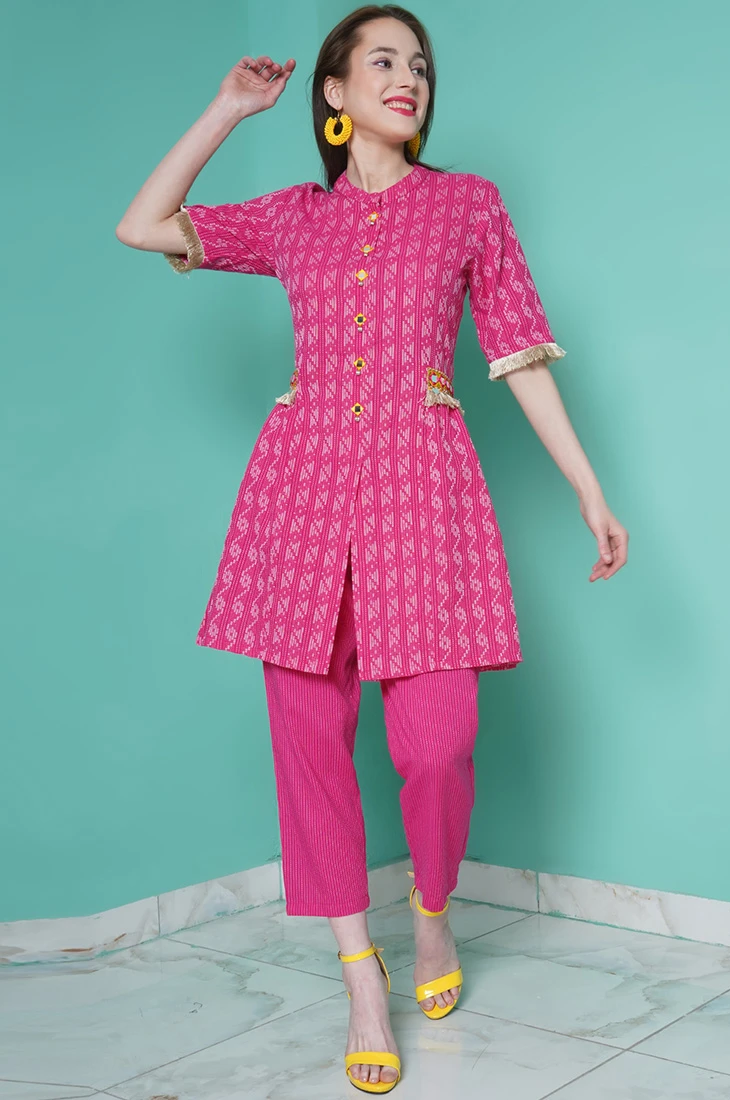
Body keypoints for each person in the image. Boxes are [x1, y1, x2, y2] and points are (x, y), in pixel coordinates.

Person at [116, 4, 628, 1092]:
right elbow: (143, 224)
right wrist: (228, 108)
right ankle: (360, 972)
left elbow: (519, 353)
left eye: (420, 66)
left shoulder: (467, 204)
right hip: (298, 502)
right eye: (383, 61)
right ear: (335, 95)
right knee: (307, 744)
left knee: (437, 745)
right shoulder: (292, 218)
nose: (408, 78)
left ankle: (431, 910)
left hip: (423, 497)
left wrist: (589, 489)